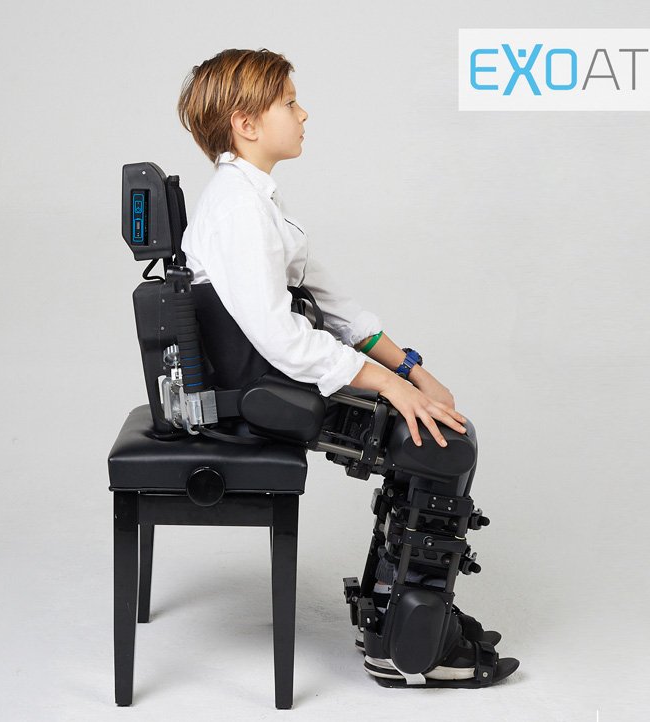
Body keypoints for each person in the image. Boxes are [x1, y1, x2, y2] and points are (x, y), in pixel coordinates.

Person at [176, 48, 516, 686]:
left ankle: (399, 619)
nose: (303, 113)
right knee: (441, 446)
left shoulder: (258, 202)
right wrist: (390, 386)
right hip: (262, 391)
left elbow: (335, 307)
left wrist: (411, 369)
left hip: (277, 378)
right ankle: (412, 648)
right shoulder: (237, 208)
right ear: (246, 123)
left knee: (435, 430)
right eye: (288, 102)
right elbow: (281, 336)